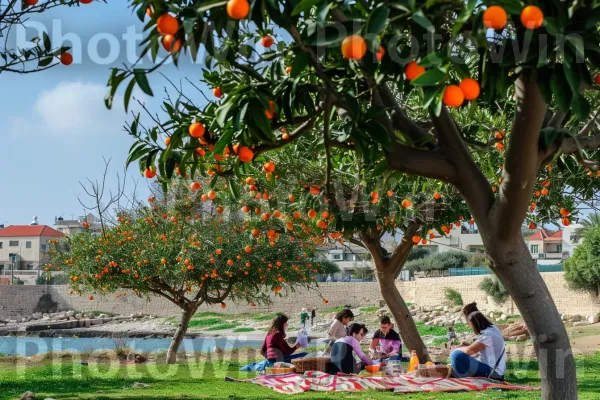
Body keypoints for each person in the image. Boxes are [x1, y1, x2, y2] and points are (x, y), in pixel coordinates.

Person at [450, 302, 506, 380]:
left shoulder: (488, 335)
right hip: (492, 369)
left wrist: (456, 348)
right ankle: (459, 375)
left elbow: (469, 350)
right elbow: (476, 352)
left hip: (494, 373)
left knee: (455, 355)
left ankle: (463, 379)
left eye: (469, 324)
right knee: (461, 358)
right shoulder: (492, 329)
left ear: (472, 323)